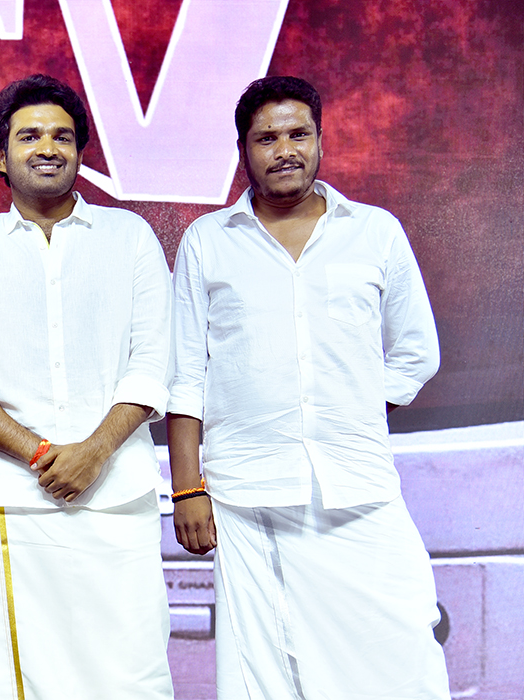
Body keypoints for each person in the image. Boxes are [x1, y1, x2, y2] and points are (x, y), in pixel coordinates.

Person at [167, 76, 450, 699]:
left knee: (402, 648)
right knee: (267, 670)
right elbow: (184, 375)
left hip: (359, 483)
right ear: (243, 150)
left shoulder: (375, 231)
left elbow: (415, 352)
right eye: (266, 138)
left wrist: (347, 409)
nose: (285, 150)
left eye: (298, 134)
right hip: (248, 493)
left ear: (321, 140)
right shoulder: (208, 241)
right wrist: (187, 488)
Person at [0, 75, 174, 699]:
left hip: (117, 494)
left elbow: (152, 364)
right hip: (11, 500)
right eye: (29, 135)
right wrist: (40, 454)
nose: (47, 147)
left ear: (81, 152)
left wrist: (95, 451)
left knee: (131, 673)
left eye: (62, 136)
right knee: (13, 680)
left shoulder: (130, 238)